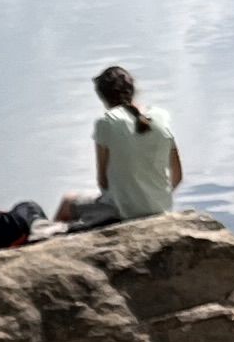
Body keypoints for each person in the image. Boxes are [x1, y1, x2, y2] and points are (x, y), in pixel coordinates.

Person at [57, 61, 183, 230]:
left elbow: (103, 181)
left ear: (103, 97)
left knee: (68, 201)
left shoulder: (106, 123)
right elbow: (178, 175)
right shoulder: (161, 116)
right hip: (161, 207)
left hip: (124, 212)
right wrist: (154, 197)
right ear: (133, 89)